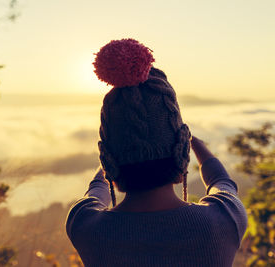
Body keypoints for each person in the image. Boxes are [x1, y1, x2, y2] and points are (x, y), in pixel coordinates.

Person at [65, 39, 247, 267]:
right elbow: (222, 182)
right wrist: (197, 147)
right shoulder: (225, 219)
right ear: (181, 152)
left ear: (109, 161)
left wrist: (108, 159)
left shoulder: (84, 226)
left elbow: (96, 190)